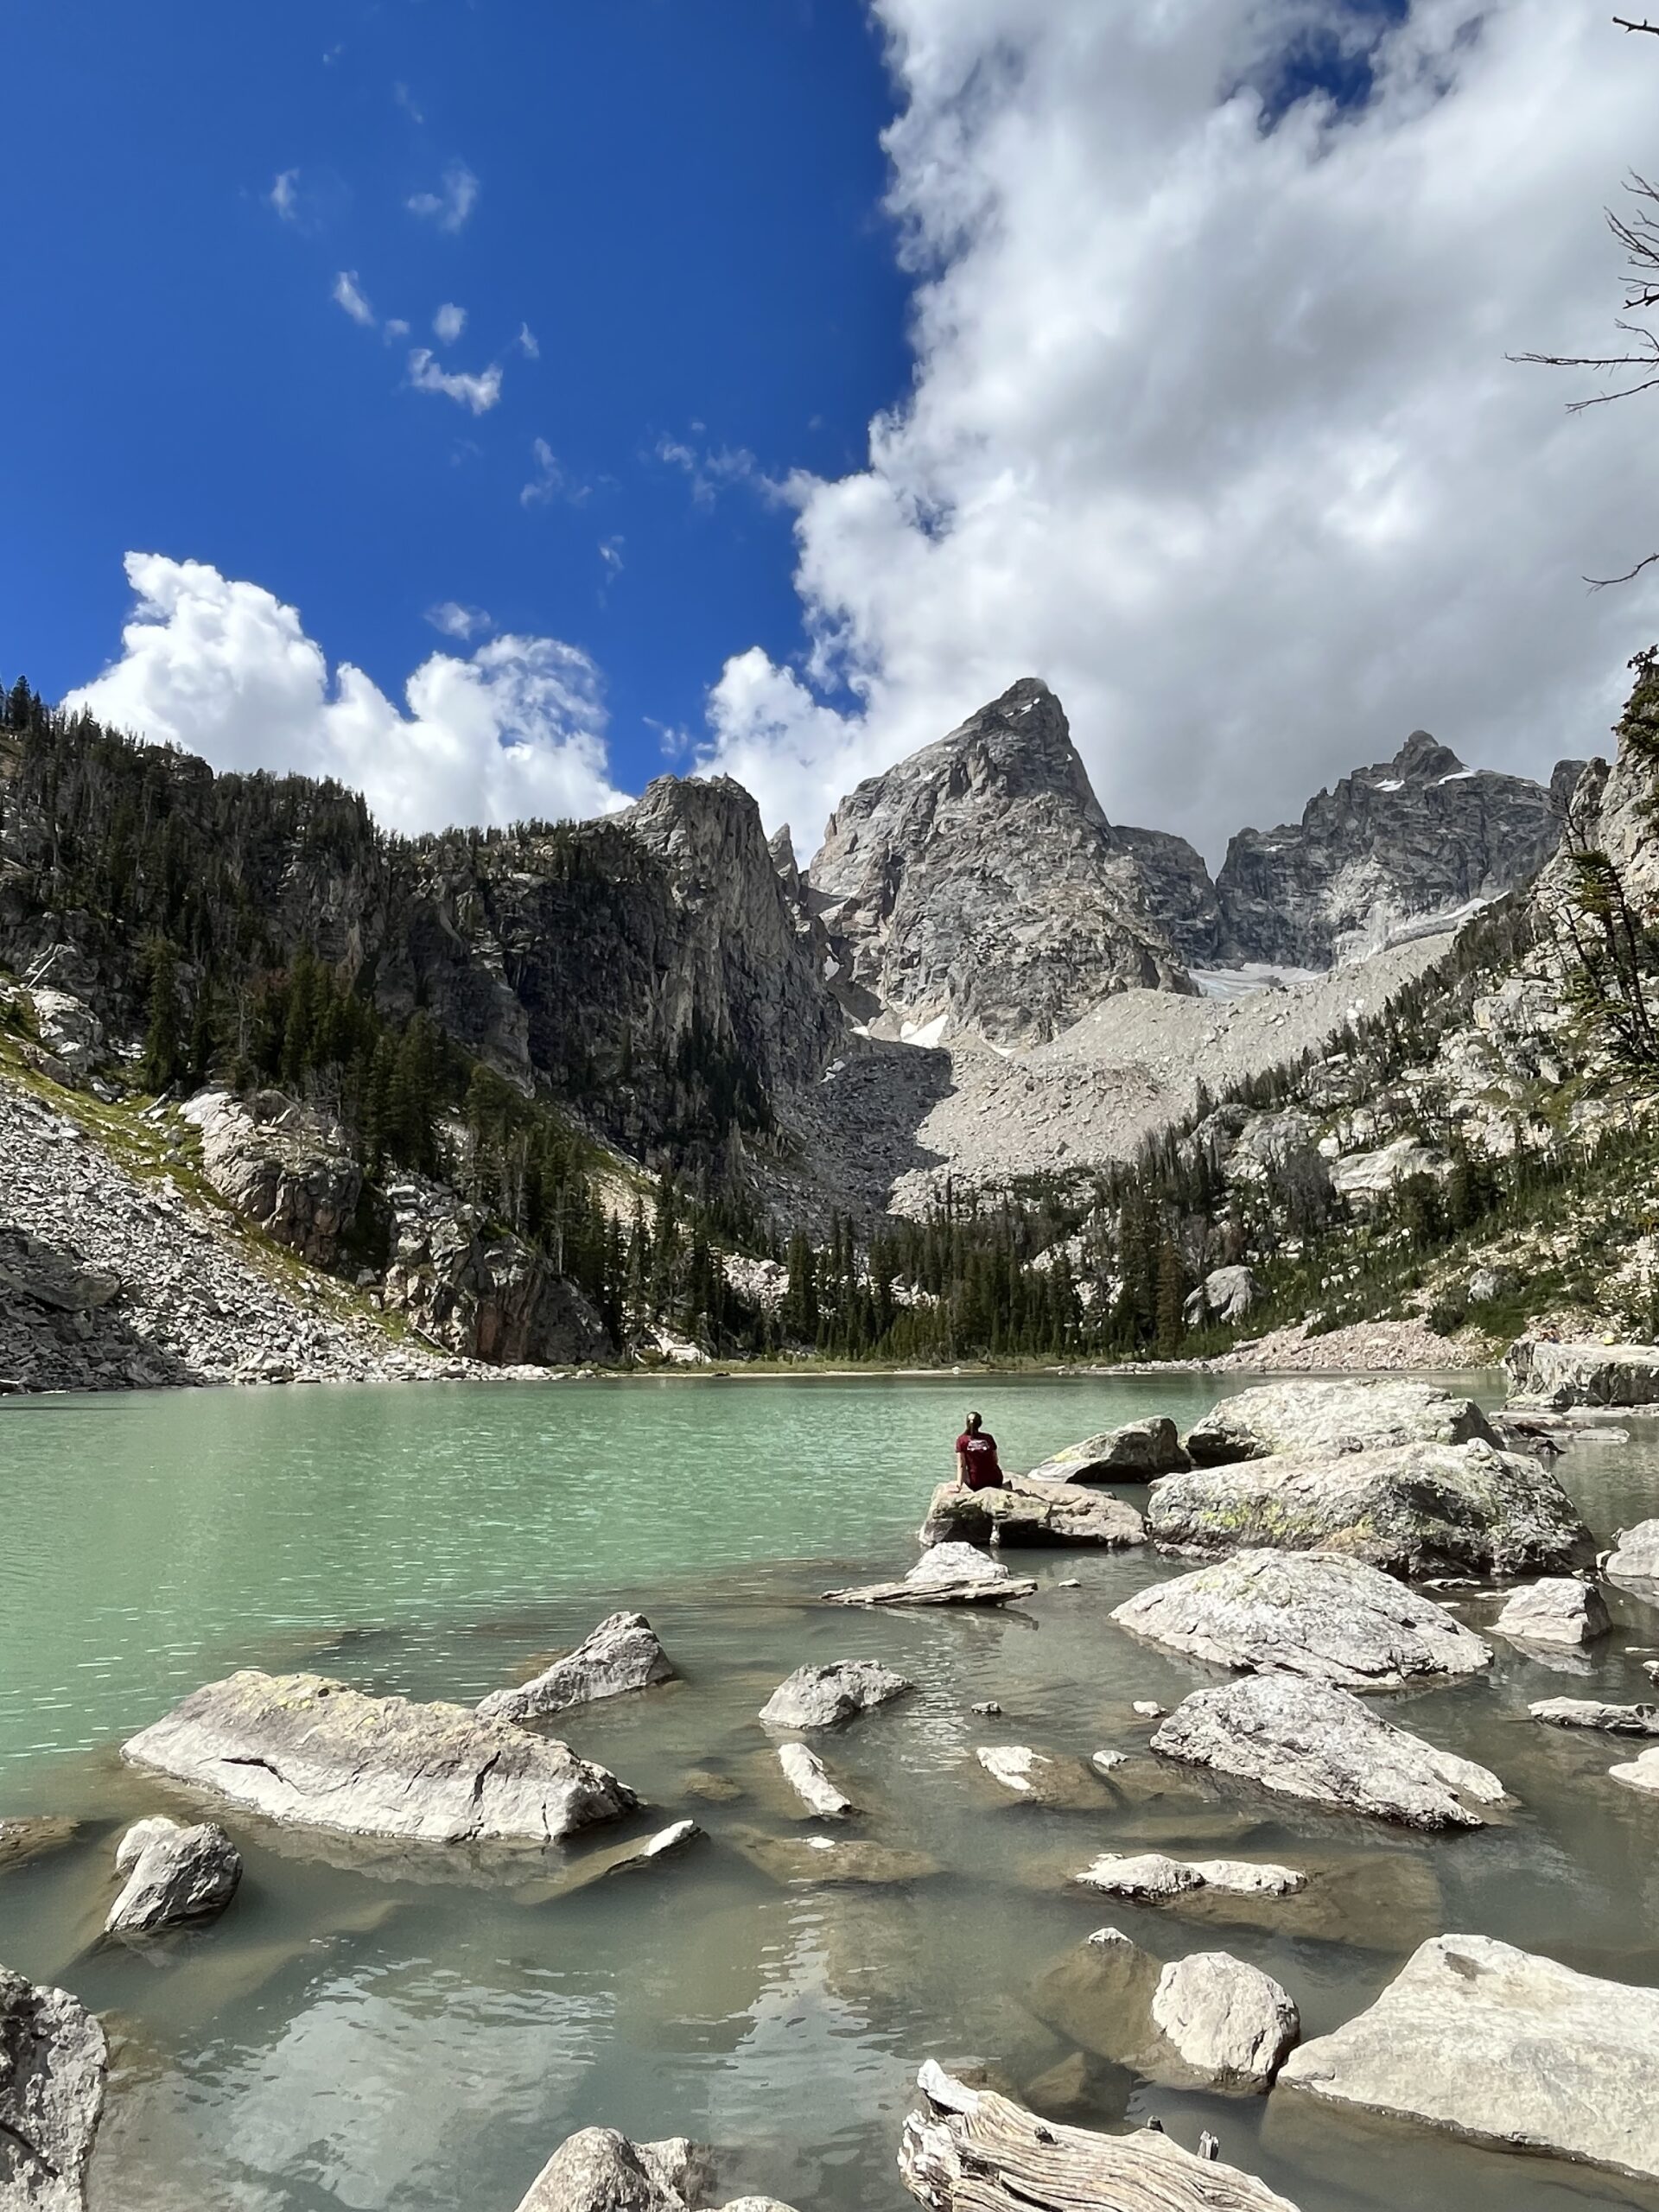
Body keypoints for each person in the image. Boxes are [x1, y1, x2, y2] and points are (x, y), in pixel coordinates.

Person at [955, 1411, 1004, 1491]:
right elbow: (995, 1460)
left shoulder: (961, 1440)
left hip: (977, 1484)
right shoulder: (989, 1438)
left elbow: (961, 1466)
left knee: (967, 1471)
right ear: (980, 1423)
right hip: (996, 1481)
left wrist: (959, 1485)